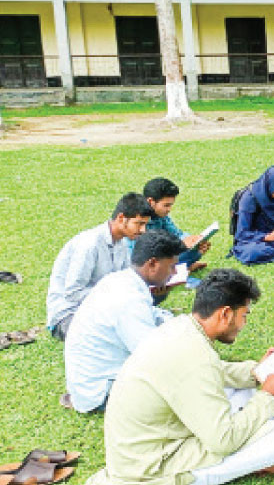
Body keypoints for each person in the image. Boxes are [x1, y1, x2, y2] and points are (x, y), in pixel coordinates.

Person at [84, 269, 274, 485]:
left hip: (148, 448)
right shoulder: (195, 357)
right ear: (225, 314)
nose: (244, 324)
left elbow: (215, 372)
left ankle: (250, 448)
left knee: (244, 391)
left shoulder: (181, 329)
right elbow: (223, 440)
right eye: (244, 316)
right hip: (152, 471)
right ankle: (247, 465)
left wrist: (258, 372)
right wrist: (268, 396)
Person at [62, 230, 187, 413]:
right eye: (171, 266)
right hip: (101, 392)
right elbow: (151, 356)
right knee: (182, 386)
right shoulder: (128, 299)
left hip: (95, 381)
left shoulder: (122, 280)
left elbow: (154, 316)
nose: (174, 272)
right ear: (152, 264)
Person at [46, 193, 153, 341]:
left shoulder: (122, 243)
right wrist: (112, 297)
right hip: (69, 315)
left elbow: (125, 281)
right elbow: (72, 293)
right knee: (113, 337)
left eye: (145, 225)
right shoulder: (89, 244)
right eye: (139, 224)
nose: (143, 230)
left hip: (102, 309)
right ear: (121, 218)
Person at [143, 177, 212, 269]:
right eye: (166, 205)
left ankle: (181, 268)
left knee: (195, 249)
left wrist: (194, 241)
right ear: (151, 202)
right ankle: (183, 269)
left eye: (170, 205)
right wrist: (180, 245)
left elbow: (177, 234)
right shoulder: (138, 220)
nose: (169, 210)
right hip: (147, 261)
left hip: (162, 254)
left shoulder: (161, 215)